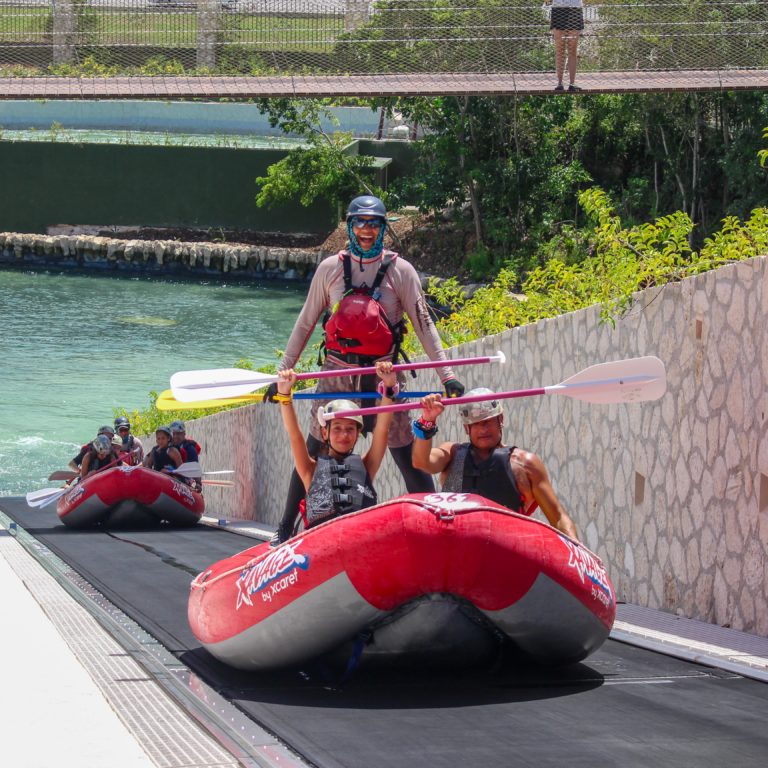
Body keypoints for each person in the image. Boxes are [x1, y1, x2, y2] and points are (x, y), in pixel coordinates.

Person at [266, 194, 464, 534]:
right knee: (315, 451)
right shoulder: (330, 269)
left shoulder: (401, 272)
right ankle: (286, 527)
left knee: (406, 456)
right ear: (350, 226)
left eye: (374, 224)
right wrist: (282, 373)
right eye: (360, 223)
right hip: (339, 370)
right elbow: (305, 322)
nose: (367, 230)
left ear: (383, 228)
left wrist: (447, 376)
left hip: (384, 373)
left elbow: (424, 324)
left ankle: (438, 527)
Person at [411, 389, 579, 540]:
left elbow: (558, 518)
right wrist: (428, 420)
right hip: (458, 550)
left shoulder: (525, 464)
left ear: (500, 419)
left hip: (507, 550)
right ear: (466, 428)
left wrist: (579, 554)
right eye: (476, 424)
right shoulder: (452, 454)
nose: (483, 429)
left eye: (488, 421)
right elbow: (421, 462)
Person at [274, 360, 398, 538]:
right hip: (322, 550)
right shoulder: (310, 470)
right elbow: (294, 434)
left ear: (357, 433)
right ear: (325, 432)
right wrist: (284, 394)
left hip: (357, 547)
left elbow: (382, 430)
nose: (344, 435)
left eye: (350, 429)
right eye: (337, 428)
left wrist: (389, 387)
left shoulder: (366, 466)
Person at [550, 0, 585, 92]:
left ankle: (572, 84)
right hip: (558, 9)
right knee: (560, 50)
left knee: (572, 50)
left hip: (575, 8)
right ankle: (559, 83)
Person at [169, 420, 203, 491]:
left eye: (178, 434)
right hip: (168, 475)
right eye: (174, 434)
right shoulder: (167, 445)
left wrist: (198, 483)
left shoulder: (190, 448)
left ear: (184, 434)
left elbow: (194, 467)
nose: (175, 436)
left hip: (184, 478)